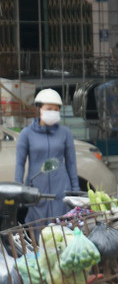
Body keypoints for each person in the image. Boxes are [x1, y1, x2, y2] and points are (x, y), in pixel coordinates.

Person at [14, 88, 78, 223]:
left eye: (56, 110)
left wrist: (75, 190)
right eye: (49, 109)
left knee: (61, 228)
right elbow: (20, 163)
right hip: (36, 189)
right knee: (37, 227)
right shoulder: (26, 134)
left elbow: (71, 163)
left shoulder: (65, 133)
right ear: (39, 109)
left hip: (61, 187)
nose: (53, 113)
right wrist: (18, 188)